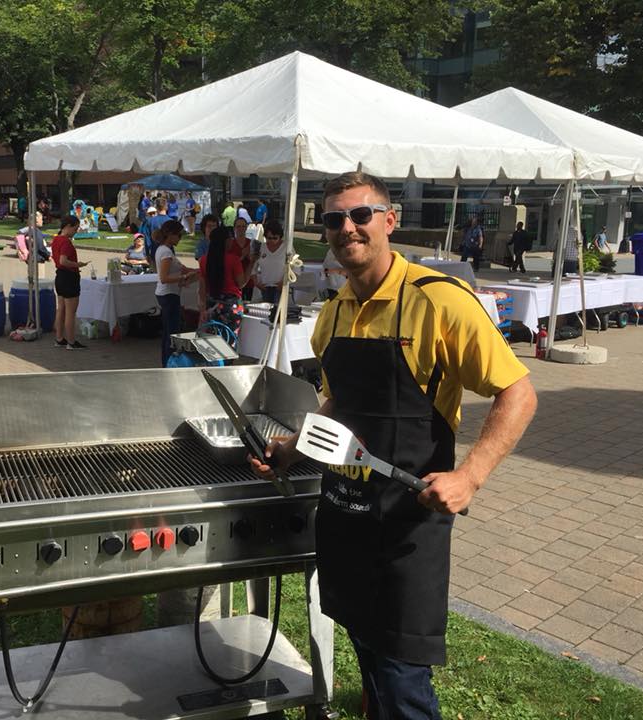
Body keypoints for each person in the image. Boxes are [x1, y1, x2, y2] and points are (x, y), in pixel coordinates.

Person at [251, 172, 537, 720]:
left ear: (390, 219)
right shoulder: (332, 314)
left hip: (408, 525)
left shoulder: (439, 301)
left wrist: (469, 476)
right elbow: (338, 402)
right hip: (345, 515)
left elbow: (518, 394)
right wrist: (291, 447)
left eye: (361, 215)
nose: (347, 229)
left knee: (403, 680)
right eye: (334, 219)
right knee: (368, 655)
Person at [155, 219, 198, 366]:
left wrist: (197, 271)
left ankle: (167, 361)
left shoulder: (166, 250)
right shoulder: (166, 252)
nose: (180, 238)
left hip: (169, 294)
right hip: (168, 295)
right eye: (179, 235)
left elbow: (182, 268)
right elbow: (164, 278)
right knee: (171, 333)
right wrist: (183, 277)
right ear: (170, 235)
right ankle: (168, 362)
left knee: (169, 331)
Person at [198, 226, 246, 339]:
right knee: (230, 339)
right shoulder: (234, 260)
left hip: (212, 303)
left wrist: (203, 309)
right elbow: (241, 283)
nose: (232, 241)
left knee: (213, 341)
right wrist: (252, 263)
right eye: (230, 238)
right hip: (231, 304)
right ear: (226, 241)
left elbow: (202, 288)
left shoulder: (204, 260)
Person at [51, 215, 89, 350]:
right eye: (75, 228)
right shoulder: (66, 242)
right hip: (68, 277)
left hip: (60, 277)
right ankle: (71, 341)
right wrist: (77, 264)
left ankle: (59, 338)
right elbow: (63, 260)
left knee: (61, 308)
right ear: (68, 227)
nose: (76, 231)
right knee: (70, 312)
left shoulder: (56, 239)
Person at [256, 219, 286, 304]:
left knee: (278, 313)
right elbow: (253, 266)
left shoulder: (286, 247)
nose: (272, 240)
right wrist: (256, 283)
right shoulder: (261, 247)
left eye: (275, 238)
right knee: (267, 314)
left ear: (280, 236)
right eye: (269, 238)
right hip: (265, 288)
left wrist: (283, 282)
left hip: (280, 287)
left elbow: (295, 267)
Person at [229, 216, 257, 301]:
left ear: (247, 228)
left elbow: (256, 261)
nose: (241, 229)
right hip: (234, 281)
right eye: (238, 226)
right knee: (236, 308)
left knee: (246, 306)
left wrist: (250, 257)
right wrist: (242, 256)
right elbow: (229, 263)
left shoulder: (252, 243)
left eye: (243, 226)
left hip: (248, 281)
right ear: (234, 228)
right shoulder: (230, 244)